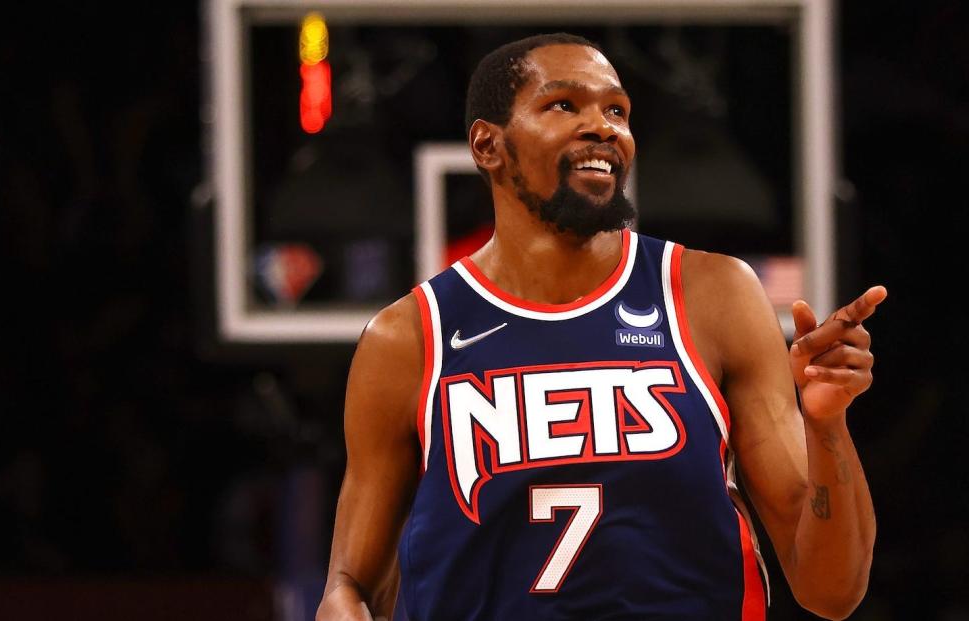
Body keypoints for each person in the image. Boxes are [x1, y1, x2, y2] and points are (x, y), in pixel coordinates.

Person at [317, 32, 885, 621]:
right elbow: (349, 586)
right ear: (488, 145)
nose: (604, 126)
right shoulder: (409, 339)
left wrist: (825, 426)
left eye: (616, 110)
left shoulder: (713, 296)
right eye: (563, 104)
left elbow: (832, 591)